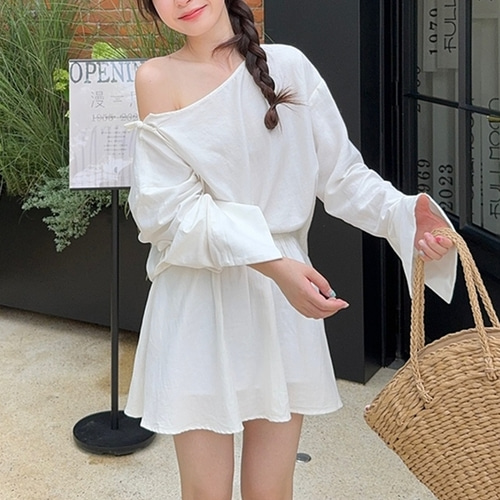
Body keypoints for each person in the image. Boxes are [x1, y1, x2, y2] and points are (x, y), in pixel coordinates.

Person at [124, 1, 457, 498]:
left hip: (279, 303)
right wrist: (276, 265)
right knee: (205, 490)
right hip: (198, 302)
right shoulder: (156, 78)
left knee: (272, 487)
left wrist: (406, 216)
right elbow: (169, 213)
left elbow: (342, 175)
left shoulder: (290, 66)